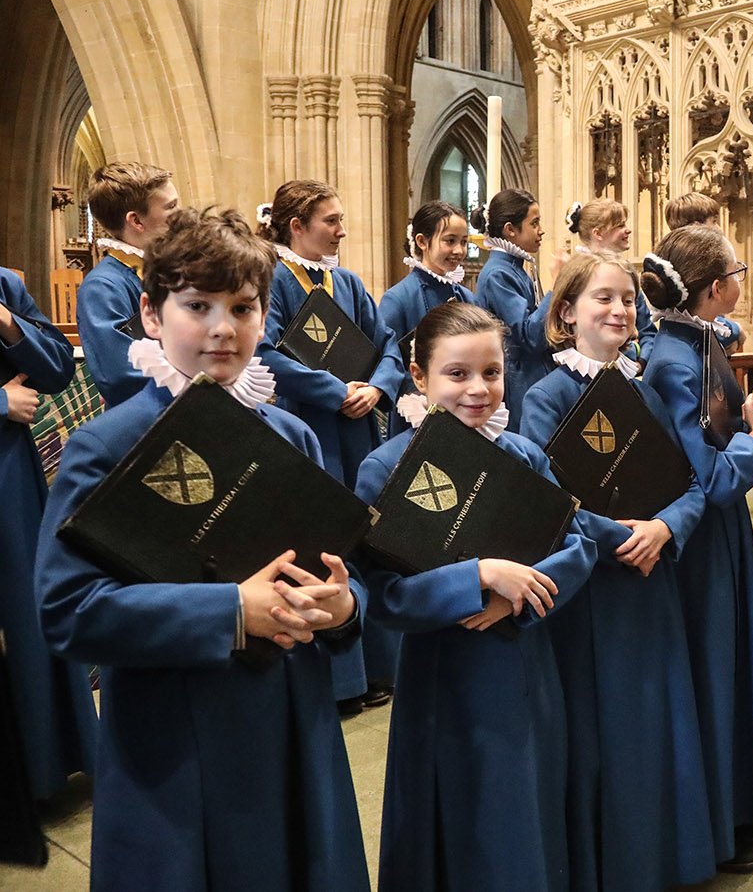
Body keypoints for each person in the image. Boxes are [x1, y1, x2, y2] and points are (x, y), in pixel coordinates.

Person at [35, 207, 368, 892]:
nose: (222, 327)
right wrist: (230, 610)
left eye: (243, 307)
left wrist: (341, 607)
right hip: (177, 740)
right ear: (151, 314)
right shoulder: (110, 446)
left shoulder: (290, 435)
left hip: (291, 729)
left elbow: (341, 569)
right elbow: (67, 609)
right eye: (197, 305)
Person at [355, 301, 596, 892]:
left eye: (490, 373)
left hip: (527, 660)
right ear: (419, 378)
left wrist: (518, 596)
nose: (478, 390)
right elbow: (383, 596)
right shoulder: (385, 467)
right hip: (447, 676)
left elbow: (579, 543)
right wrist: (478, 577)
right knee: (467, 815)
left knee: (530, 801)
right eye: (456, 374)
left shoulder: (522, 453)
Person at [521, 251, 716, 892]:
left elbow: (689, 483)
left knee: (656, 725)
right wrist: (618, 539)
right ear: (566, 313)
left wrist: (665, 528)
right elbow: (552, 499)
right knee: (603, 733)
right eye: (603, 298)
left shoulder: (645, 388)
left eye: (628, 299)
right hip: (592, 594)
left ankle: (666, 860)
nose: (619, 310)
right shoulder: (546, 396)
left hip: (651, 579)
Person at [639, 225, 753, 873]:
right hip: (700, 545)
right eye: (734, 266)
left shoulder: (699, 344)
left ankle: (740, 812)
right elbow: (714, 478)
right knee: (715, 673)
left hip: (718, 538)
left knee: (731, 668)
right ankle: (721, 830)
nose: (742, 272)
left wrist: (745, 414)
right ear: (712, 289)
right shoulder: (675, 362)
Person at [257, 179, 405, 714]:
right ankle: (341, 680)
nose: (342, 230)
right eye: (331, 221)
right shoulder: (273, 279)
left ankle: (380, 667)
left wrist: (378, 387)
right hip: (311, 427)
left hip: (358, 427)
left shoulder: (348, 282)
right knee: (324, 544)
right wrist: (333, 391)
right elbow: (266, 352)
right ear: (296, 226)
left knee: (367, 536)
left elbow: (388, 344)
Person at [0, 267, 95, 802]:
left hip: (9, 479)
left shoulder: (4, 287)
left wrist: (7, 321)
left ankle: (38, 767)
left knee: (23, 618)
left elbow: (59, 368)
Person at [75, 162, 180, 407]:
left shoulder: (168, 270)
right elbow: (121, 376)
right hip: (149, 423)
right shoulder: (104, 287)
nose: (181, 215)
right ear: (136, 221)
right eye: (171, 207)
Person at [377, 200, 477, 438]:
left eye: (464, 242)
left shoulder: (465, 296)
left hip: (463, 405)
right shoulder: (397, 298)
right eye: (450, 241)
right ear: (422, 241)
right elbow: (388, 360)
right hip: (417, 410)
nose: (459, 251)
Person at [473, 189, 553, 431]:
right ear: (510, 230)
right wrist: (558, 287)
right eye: (534, 223)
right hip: (518, 380)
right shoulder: (498, 273)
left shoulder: (515, 267)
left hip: (530, 372)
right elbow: (530, 335)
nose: (541, 231)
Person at [568, 198, 656, 362]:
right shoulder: (576, 274)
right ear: (598, 233)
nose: (628, 230)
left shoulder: (626, 273)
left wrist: (641, 361)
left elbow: (648, 331)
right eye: (620, 226)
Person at [663, 192, 744, 353]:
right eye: (714, 221)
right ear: (696, 227)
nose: (719, 228)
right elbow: (697, 316)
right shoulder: (690, 267)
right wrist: (735, 330)